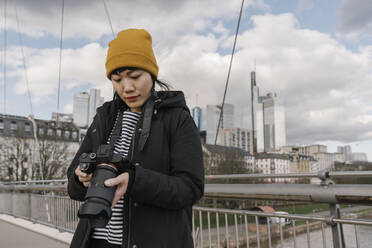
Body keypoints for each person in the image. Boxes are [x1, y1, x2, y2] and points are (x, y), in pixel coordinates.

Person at [67, 28, 204, 248]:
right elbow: (73, 188)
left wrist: (134, 181)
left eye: (135, 76)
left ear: (152, 74)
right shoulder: (104, 118)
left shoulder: (177, 119)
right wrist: (80, 178)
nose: (127, 87)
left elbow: (191, 188)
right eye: (117, 79)